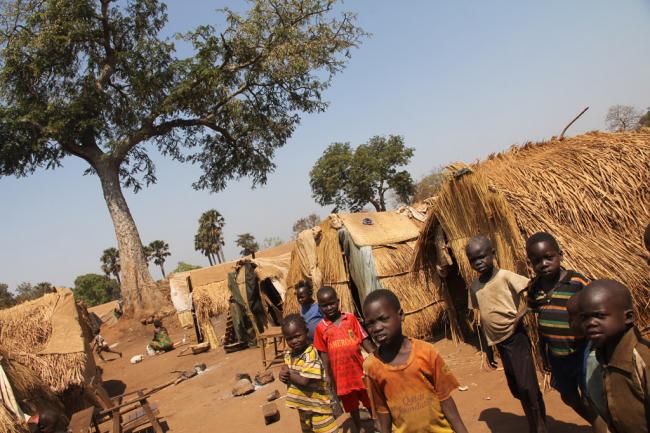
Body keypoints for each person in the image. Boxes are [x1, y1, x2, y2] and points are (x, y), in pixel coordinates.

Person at [465, 235, 547, 433]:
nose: (478, 262)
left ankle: (539, 426)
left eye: (482, 256)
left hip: (516, 338)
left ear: (493, 254)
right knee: (517, 388)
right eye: (473, 260)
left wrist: (522, 314)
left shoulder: (505, 276)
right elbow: (481, 317)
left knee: (527, 387)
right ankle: (535, 421)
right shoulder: (474, 287)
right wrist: (488, 349)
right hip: (499, 343)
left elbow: (533, 289)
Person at [525, 232, 605, 433]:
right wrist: (543, 352)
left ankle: (602, 427)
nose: (543, 264)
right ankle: (599, 424)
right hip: (557, 354)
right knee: (568, 397)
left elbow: (595, 309)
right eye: (537, 261)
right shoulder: (534, 288)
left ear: (560, 255)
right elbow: (540, 323)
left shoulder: (577, 282)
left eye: (548, 257)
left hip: (583, 350)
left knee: (589, 395)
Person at [363, 289, 469, 433]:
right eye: (370, 323)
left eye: (384, 319)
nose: (377, 328)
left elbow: (445, 399)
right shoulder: (372, 366)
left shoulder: (426, 352)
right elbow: (383, 412)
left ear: (401, 315)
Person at [578, 279, 650, 433]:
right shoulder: (601, 355)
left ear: (628, 317)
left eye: (599, 315)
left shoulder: (642, 357)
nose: (590, 323)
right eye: (584, 317)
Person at [313, 286, 376, 433]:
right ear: (320, 307)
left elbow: (363, 339)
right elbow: (323, 354)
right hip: (341, 376)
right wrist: (328, 376)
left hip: (359, 370)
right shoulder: (320, 328)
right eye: (325, 305)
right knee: (351, 405)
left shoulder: (350, 318)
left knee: (369, 399)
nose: (329, 307)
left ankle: (377, 424)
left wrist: (374, 355)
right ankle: (359, 427)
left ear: (338, 301)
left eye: (332, 303)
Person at [280, 314, 337, 433]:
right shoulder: (289, 355)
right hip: (303, 407)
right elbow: (288, 375)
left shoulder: (310, 354)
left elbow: (304, 380)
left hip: (319, 408)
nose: (294, 341)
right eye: (289, 338)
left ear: (306, 332)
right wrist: (283, 374)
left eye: (297, 336)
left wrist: (288, 373)